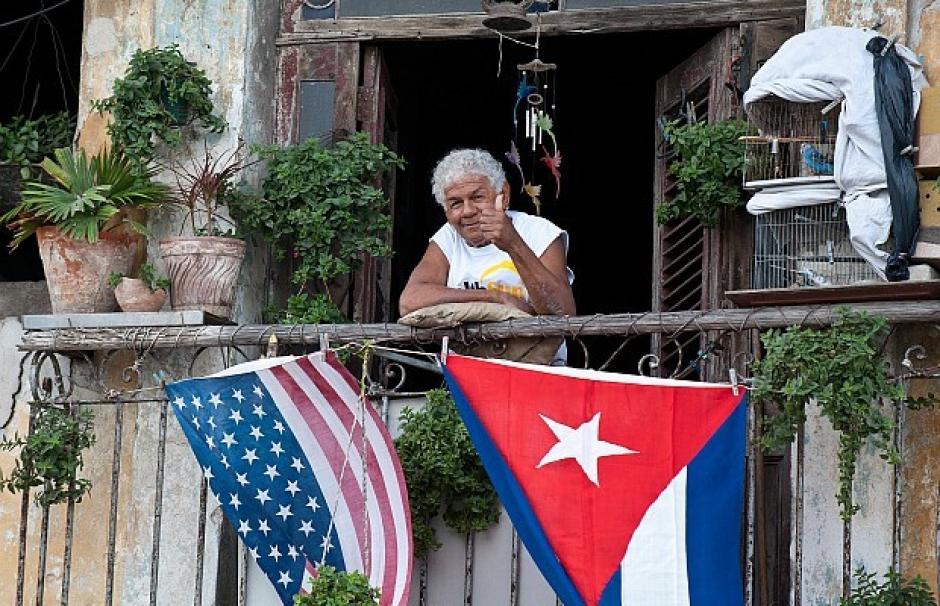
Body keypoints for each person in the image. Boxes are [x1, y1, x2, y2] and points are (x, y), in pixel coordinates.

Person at [399, 147, 575, 320]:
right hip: (464, 349)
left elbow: (563, 312)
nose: (467, 211)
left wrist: (512, 243)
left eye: (477, 197)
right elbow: (410, 301)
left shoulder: (539, 232)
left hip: (535, 349)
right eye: (456, 203)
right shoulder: (449, 237)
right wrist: (494, 297)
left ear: (503, 195)